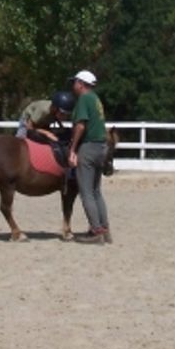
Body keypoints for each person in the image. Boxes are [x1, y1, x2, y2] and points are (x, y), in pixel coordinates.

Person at [67, 69, 112, 244]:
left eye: (75, 82)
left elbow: (80, 126)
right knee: (96, 191)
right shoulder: (95, 99)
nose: (73, 86)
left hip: (89, 147)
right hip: (101, 146)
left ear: (81, 83)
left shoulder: (84, 99)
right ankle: (105, 228)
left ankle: (96, 231)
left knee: (86, 192)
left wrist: (73, 148)